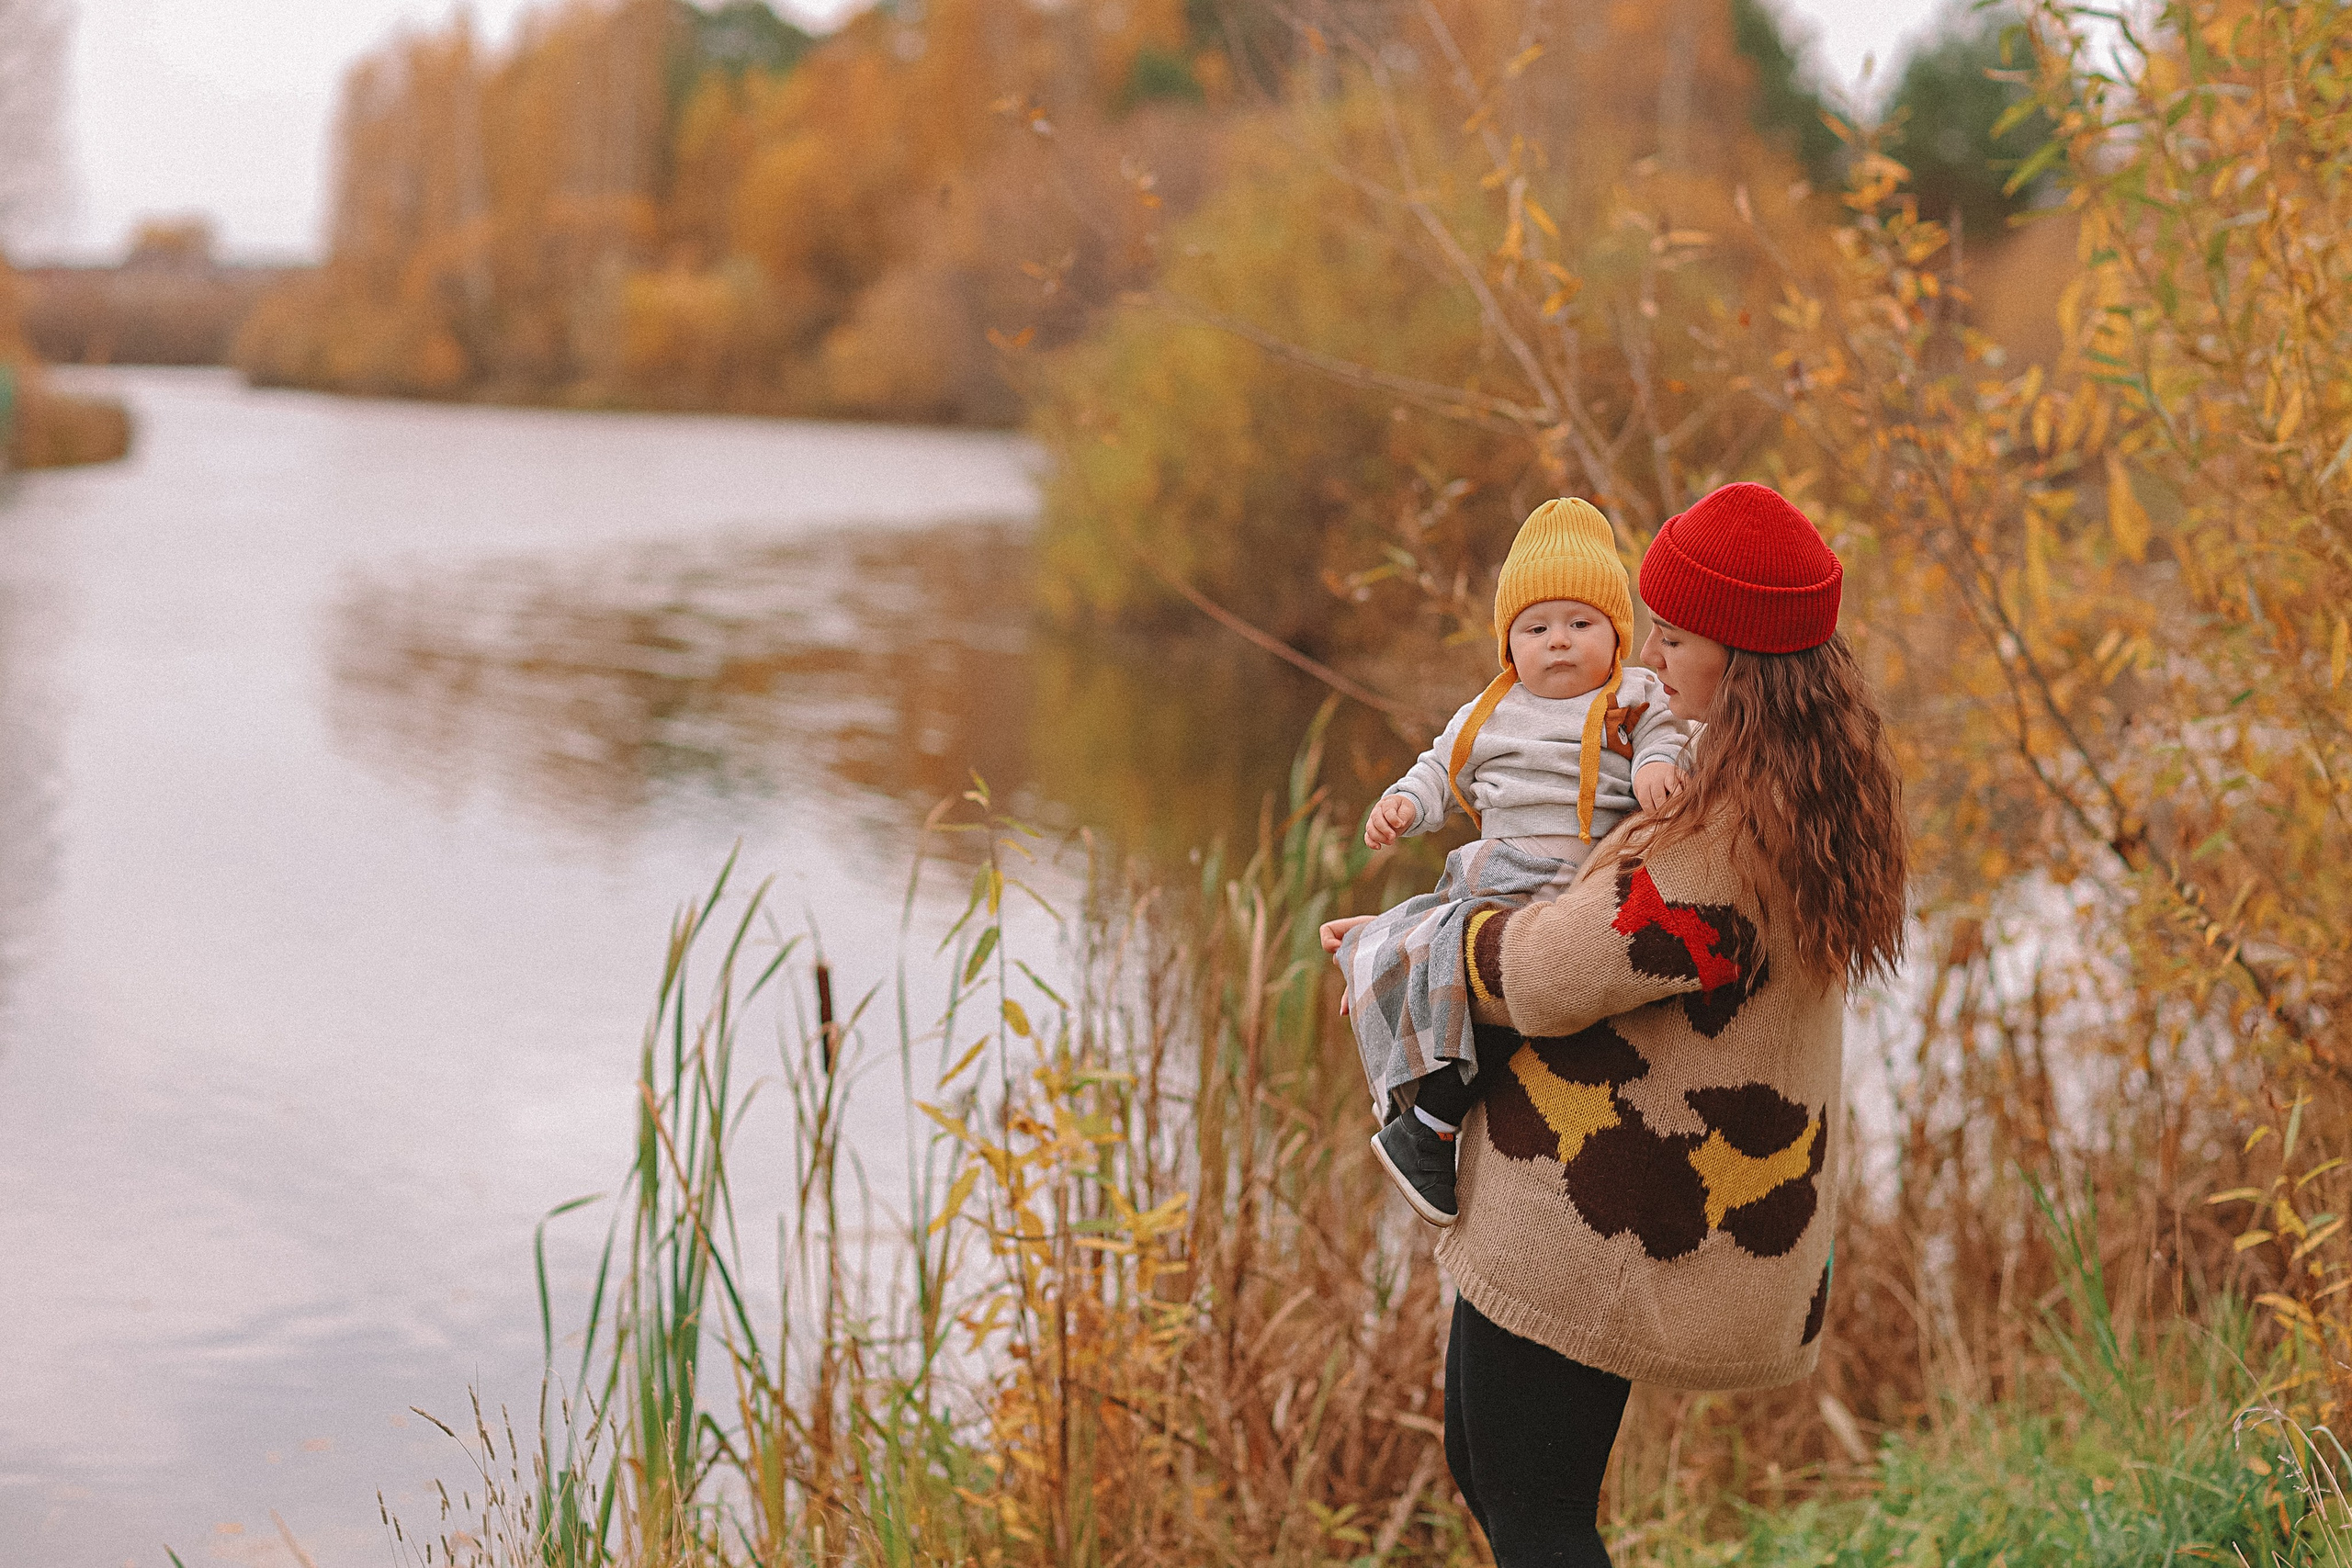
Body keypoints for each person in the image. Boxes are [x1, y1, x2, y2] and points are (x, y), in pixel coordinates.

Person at [1402, 482, 1906, 1567]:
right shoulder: (1777, 782)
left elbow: (1549, 972)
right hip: (1607, 1193)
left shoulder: (1732, 833)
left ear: (1745, 658)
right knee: (1496, 1479)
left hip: (1600, 1213)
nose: (1654, 660)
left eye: (1675, 637)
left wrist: (1406, 948)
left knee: (1534, 1514)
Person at [1317, 498, 1689, 1226]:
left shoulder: (1631, 696)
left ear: (1617, 637)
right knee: (1492, 965)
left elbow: (1666, 737)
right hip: (1502, 870)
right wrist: (1403, 804)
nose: (1558, 642)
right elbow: (1438, 772)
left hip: (1575, 877)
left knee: (1501, 967)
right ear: (1508, 644)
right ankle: (1428, 1117)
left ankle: (1395, 1001)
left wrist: (1652, 768)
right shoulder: (1489, 712)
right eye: (1536, 627)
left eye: (1581, 624)